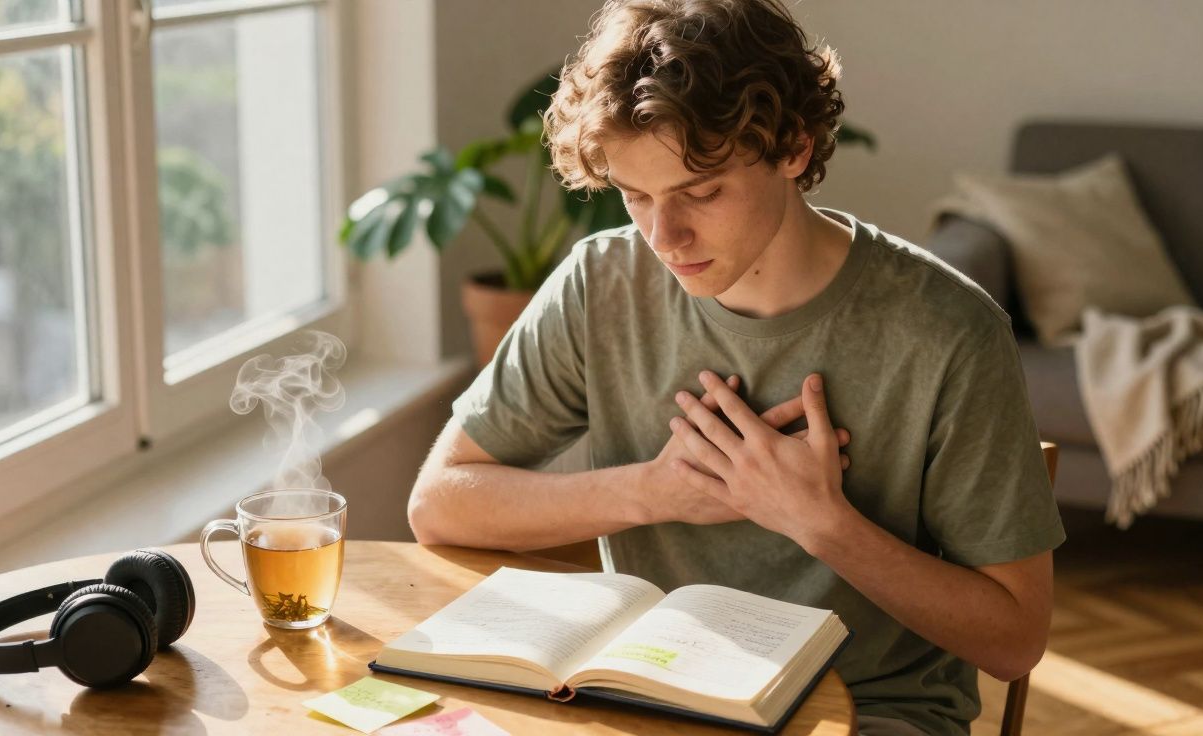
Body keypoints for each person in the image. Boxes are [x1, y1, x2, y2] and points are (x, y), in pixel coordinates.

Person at [407, 1, 1065, 733]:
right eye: (636, 197)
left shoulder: (947, 332)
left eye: (702, 192)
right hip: (651, 700)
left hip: (871, 711)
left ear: (792, 146)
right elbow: (440, 505)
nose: (664, 235)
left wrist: (819, 522)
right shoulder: (601, 283)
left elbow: (1014, 642)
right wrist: (657, 491)